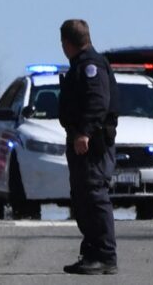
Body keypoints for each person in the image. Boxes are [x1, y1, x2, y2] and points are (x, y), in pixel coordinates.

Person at [58, 19, 119, 275]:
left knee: (94, 196)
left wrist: (84, 133)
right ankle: (92, 252)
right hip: (81, 143)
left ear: (67, 43)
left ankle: (106, 255)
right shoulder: (81, 65)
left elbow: (97, 102)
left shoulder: (91, 66)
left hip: (92, 145)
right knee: (83, 198)